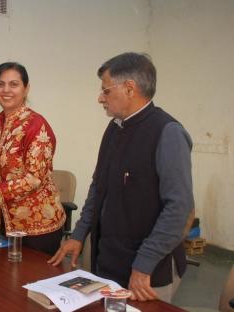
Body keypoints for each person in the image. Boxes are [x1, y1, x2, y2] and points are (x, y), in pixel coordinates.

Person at [48, 52, 194, 303]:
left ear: (129, 88)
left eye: (105, 91)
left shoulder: (167, 132)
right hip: (109, 263)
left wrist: (144, 264)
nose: (100, 98)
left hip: (147, 272)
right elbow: (98, 188)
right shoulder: (115, 128)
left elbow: (179, 209)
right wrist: (78, 235)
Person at [0, 62, 66, 255]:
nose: (6, 90)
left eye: (14, 84)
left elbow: (33, 179)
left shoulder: (36, 125)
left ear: (26, 89)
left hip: (38, 228)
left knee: (33, 283)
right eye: (1, 84)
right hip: (5, 225)